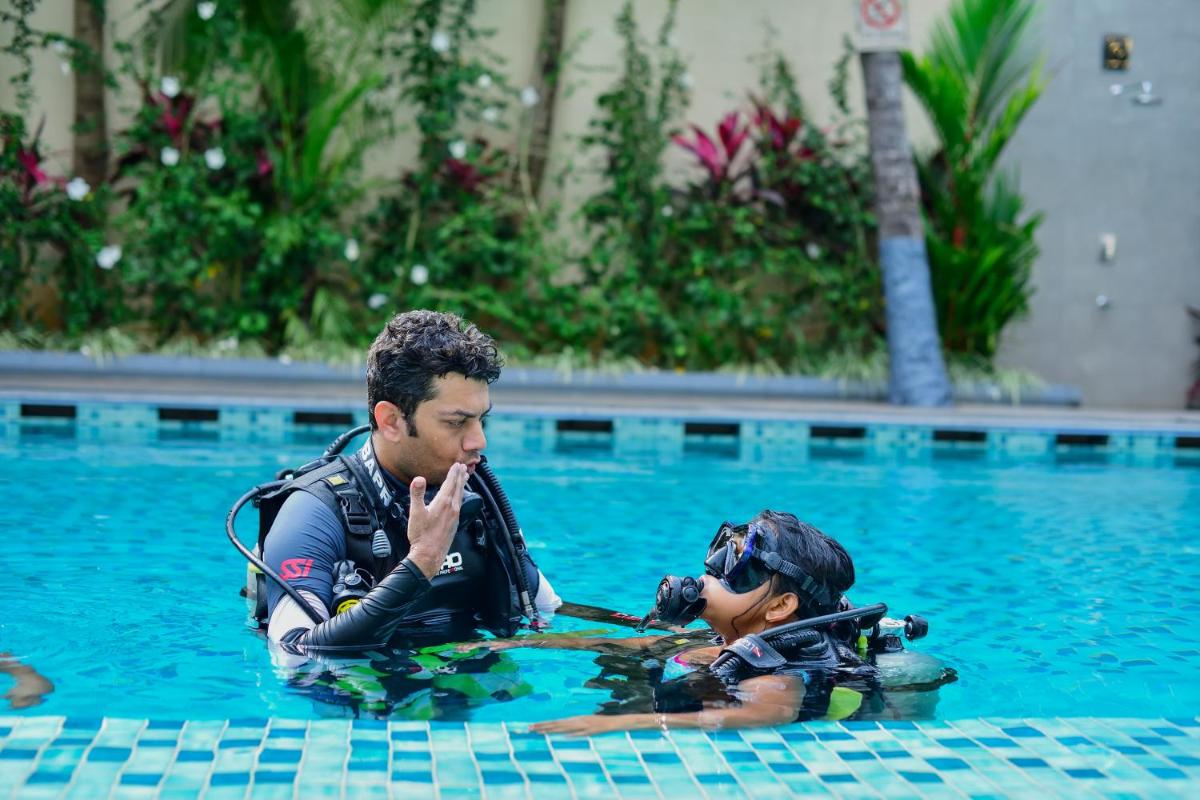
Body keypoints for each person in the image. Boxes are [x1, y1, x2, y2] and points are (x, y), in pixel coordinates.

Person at [470, 510, 940, 735]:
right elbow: (634, 647)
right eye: (720, 550)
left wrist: (610, 725)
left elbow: (752, 716)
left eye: (740, 566)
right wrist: (520, 647)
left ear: (780, 608)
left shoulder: (781, 671)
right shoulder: (727, 637)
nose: (711, 569)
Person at [257, 310, 561, 653]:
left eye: (481, 420)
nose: (479, 441)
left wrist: (626, 638)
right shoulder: (312, 513)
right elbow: (294, 655)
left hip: (465, 687)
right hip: (363, 699)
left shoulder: (475, 496)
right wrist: (422, 563)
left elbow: (550, 612)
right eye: (457, 422)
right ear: (391, 421)